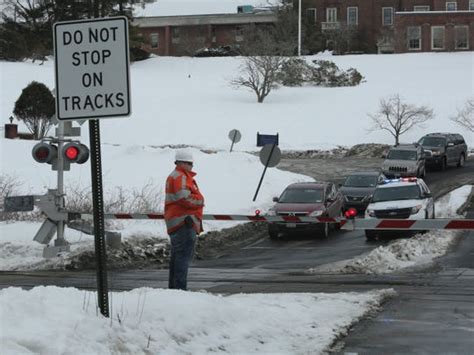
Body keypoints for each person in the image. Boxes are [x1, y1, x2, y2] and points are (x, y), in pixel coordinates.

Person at [164, 149, 204, 290]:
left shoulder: (179, 176)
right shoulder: (180, 176)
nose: (191, 166)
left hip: (180, 223)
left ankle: (174, 291)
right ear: (182, 163)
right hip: (183, 223)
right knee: (182, 260)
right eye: (190, 163)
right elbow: (184, 198)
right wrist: (200, 200)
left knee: (177, 259)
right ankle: (179, 292)